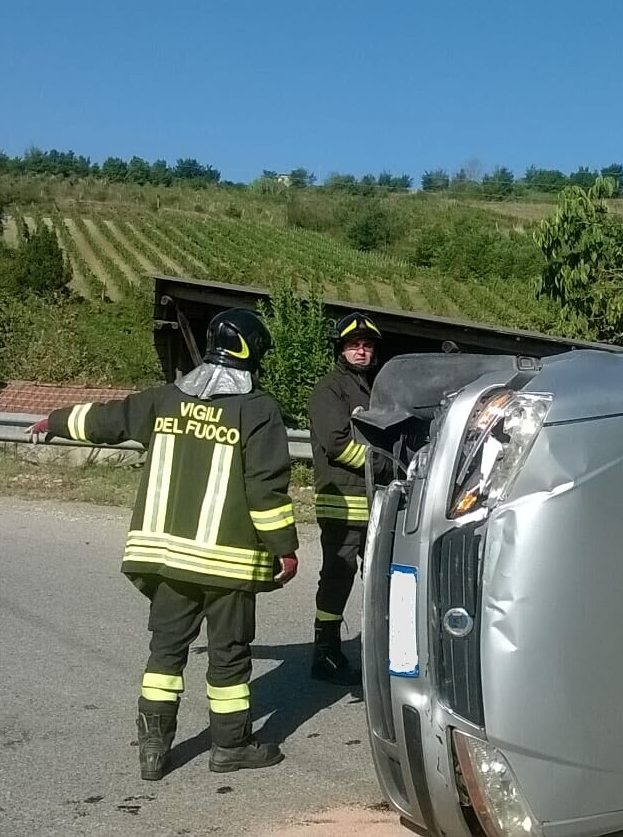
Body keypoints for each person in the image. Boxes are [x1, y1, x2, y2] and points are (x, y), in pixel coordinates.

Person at [27, 307, 300, 781]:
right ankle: (231, 746)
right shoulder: (258, 410)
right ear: (253, 351)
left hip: (167, 559)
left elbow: (108, 420)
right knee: (229, 654)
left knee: (165, 654)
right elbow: (264, 487)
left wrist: (53, 420)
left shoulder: (167, 399)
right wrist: (285, 546)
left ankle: (153, 751)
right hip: (228, 562)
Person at [306, 311, 390, 685]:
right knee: (338, 578)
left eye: (367, 345)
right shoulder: (330, 390)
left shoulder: (374, 390)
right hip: (342, 500)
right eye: (354, 345)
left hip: (374, 503)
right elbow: (337, 444)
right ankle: (325, 653)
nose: (361, 351)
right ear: (341, 350)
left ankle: (379, 653)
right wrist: (385, 466)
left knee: (379, 580)